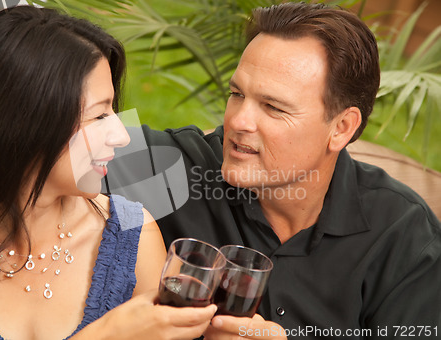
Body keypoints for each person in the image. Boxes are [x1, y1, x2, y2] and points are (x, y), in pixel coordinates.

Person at [106, 2, 441, 339]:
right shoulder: (179, 171)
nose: (238, 121)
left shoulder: (403, 237)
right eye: (237, 94)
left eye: (273, 107)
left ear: (341, 127)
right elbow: (65, 140)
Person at [0, 6, 217, 340]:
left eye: (113, 109)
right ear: (23, 125)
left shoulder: (134, 233)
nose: (122, 135)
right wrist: (109, 333)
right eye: (99, 115)